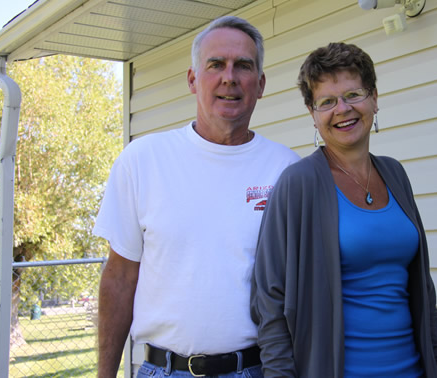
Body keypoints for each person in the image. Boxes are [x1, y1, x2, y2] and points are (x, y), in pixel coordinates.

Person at [94, 16, 300, 377]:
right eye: (215, 64)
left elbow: (304, 285)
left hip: (256, 369)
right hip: (165, 369)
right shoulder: (143, 161)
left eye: (243, 66)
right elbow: (120, 278)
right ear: (192, 79)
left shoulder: (286, 169)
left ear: (261, 84)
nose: (229, 78)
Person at [251, 42, 437, 377]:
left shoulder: (395, 174)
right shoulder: (298, 184)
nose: (342, 109)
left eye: (353, 94)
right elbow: (269, 300)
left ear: (374, 98)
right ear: (313, 115)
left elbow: (422, 288)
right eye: (327, 101)